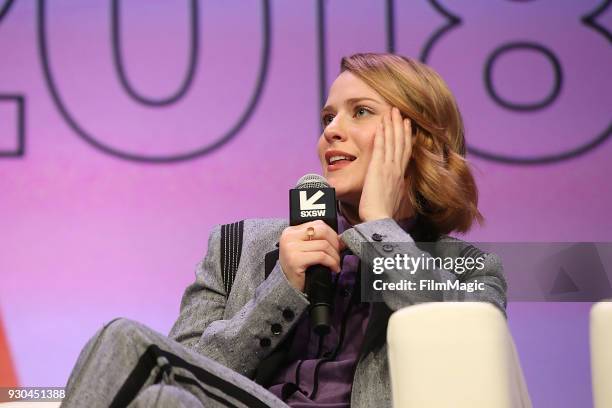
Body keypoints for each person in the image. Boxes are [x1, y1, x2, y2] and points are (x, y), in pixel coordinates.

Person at [60, 53, 506, 408]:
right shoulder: (234, 246)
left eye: (361, 112)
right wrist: (281, 289)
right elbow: (188, 370)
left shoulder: (467, 269)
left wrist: (379, 228)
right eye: (328, 118)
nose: (332, 131)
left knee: (123, 338)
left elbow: (461, 349)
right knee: (161, 400)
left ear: (416, 140)